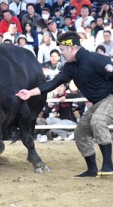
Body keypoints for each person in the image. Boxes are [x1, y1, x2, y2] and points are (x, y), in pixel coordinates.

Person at [16, 31, 113, 177]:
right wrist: (30, 93)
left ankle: (108, 166)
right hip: (98, 103)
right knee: (80, 132)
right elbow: (53, 83)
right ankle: (92, 169)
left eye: (62, 49)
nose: (61, 53)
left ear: (71, 48)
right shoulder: (70, 67)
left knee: (98, 121)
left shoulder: (96, 59)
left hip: (110, 98)